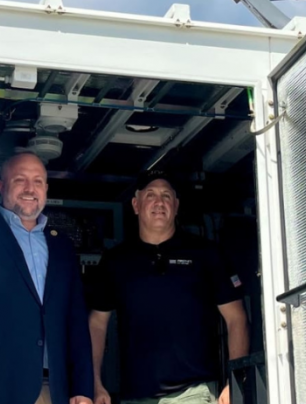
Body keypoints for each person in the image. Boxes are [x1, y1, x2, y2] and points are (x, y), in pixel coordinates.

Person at [88, 172, 249, 404]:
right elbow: (96, 323)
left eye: (166, 196)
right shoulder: (116, 261)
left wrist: (234, 382)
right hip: (135, 397)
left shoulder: (206, 254)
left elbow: (237, 318)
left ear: (176, 205)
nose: (159, 202)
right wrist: (94, 382)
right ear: (136, 204)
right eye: (150, 195)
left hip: (195, 393)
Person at [0, 152, 94, 404]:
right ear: (1, 186)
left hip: (55, 389)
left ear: (46, 188)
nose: (29, 189)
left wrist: (83, 389)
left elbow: (75, 320)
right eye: (20, 180)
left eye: (37, 181)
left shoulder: (61, 246)